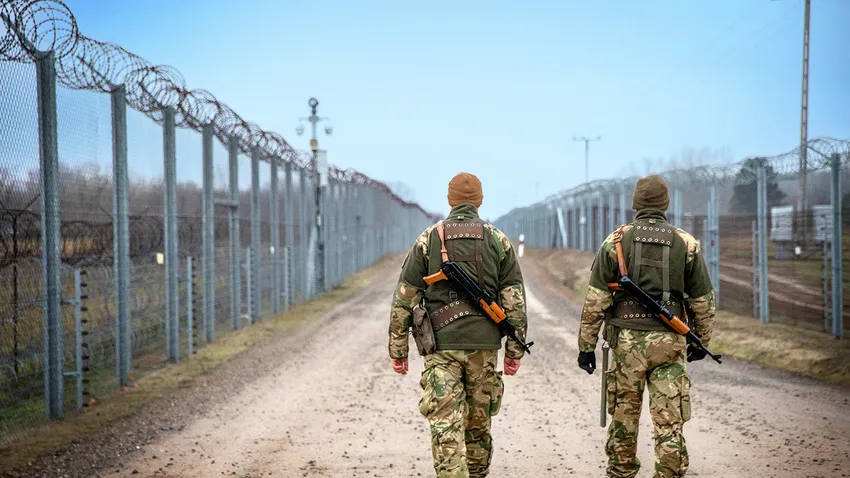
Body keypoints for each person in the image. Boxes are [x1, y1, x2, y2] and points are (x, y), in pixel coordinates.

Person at [388, 172, 528, 478]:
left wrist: (398, 350)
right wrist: (514, 352)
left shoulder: (429, 239)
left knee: (445, 427)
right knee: (478, 427)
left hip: (441, 348)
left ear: (450, 200)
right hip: (485, 348)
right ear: (479, 201)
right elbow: (514, 300)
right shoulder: (498, 239)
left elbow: (404, 299)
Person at [576, 175, 716, 478]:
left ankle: (621, 472)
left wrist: (586, 347)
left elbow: (595, 301)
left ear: (635, 203)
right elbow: (702, 300)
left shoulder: (615, 241)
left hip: (626, 345)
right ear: (665, 204)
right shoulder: (685, 243)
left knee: (624, 416)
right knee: (669, 419)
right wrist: (699, 340)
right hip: (670, 342)